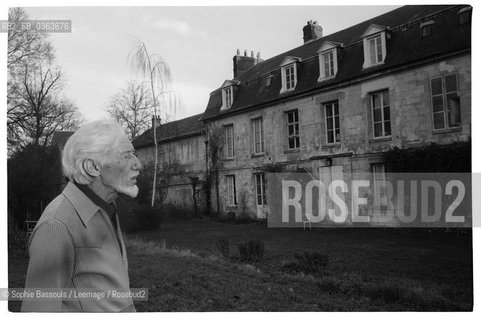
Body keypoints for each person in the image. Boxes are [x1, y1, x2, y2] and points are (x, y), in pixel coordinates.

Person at [21, 119, 142, 312]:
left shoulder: (106, 208)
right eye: (127, 156)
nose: (138, 164)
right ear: (93, 167)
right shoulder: (56, 226)